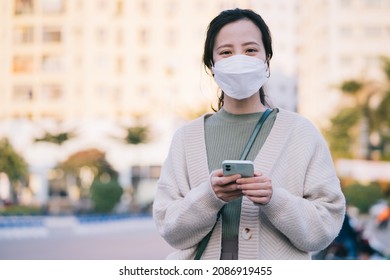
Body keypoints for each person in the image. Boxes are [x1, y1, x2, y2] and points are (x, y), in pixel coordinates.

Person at [153, 8, 346, 260]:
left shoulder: (301, 133)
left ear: (267, 59)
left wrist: (274, 199)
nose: (239, 58)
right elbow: (170, 229)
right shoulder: (185, 138)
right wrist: (209, 197)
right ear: (211, 65)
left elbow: (326, 227)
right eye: (226, 52)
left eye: (250, 50)